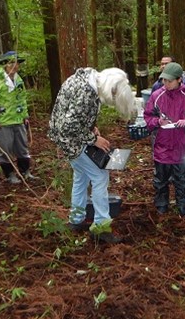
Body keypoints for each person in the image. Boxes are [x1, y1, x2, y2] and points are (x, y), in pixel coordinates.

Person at [48, 67, 135, 244]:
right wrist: (93, 139)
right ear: (112, 89)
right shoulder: (86, 92)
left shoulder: (89, 78)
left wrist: (90, 127)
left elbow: (75, 114)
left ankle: (77, 219)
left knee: (81, 177)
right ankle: (101, 227)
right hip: (70, 141)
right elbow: (68, 125)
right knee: (100, 175)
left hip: (67, 138)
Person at [144, 62, 185, 217]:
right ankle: (162, 205)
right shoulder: (157, 96)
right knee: (160, 179)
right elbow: (148, 116)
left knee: (182, 179)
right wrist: (158, 122)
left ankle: (182, 205)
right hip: (161, 145)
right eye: (164, 80)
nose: (166, 83)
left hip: (181, 145)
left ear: (179, 80)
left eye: (169, 81)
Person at [151, 56, 185, 189]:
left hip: (183, 133)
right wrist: (158, 121)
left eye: (167, 64)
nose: (164, 66)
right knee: (163, 158)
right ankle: (167, 178)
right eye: (162, 64)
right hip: (163, 133)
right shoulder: (157, 86)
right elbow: (150, 110)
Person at [0, 51, 35, 184]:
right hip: (3, 121)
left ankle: (25, 172)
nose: (15, 66)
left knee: (22, 147)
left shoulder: (19, 79)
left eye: (17, 63)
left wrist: (25, 115)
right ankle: (9, 175)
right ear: (5, 64)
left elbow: (22, 98)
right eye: (11, 63)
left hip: (18, 119)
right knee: (5, 149)